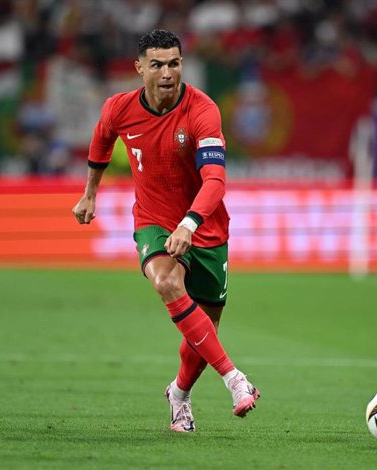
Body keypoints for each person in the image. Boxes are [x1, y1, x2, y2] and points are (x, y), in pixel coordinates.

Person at [72, 29, 259, 432]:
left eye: (174, 63)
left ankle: (179, 394)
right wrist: (90, 194)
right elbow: (102, 138)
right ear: (139, 68)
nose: (167, 72)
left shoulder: (202, 111)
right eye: (157, 64)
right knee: (166, 283)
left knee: (202, 329)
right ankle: (234, 378)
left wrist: (190, 223)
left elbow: (215, 180)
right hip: (153, 220)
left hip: (206, 227)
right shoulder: (119, 109)